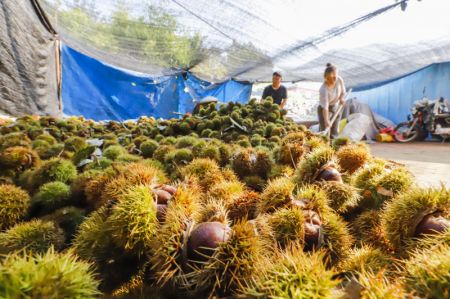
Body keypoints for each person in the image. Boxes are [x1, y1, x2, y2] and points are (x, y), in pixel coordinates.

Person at [318, 63, 346, 139]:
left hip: (335, 106)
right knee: (324, 129)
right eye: (331, 79)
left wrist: (341, 98)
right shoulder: (323, 89)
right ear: (326, 78)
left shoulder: (339, 79)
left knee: (335, 129)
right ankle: (323, 145)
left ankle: (333, 144)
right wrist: (326, 120)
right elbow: (325, 107)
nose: (334, 80)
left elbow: (343, 92)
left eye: (334, 77)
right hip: (323, 109)